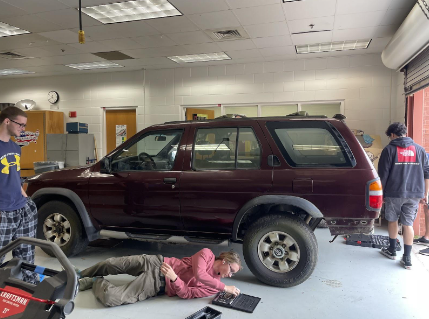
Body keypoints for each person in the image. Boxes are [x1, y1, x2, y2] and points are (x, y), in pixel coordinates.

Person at [77, 248, 242, 307]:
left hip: (158, 283)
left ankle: (95, 282)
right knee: (111, 263)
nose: (230, 275)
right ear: (225, 261)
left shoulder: (214, 286)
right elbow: (200, 274)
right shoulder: (207, 254)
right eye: (231, 270)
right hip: (157, 262)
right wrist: (225, 288)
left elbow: (187, 293)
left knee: (110, 297)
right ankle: (80, 274)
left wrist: (175, 279)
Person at [378, 122, 429, 269]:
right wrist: (425, 193)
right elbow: (427, 172)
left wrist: (380, 195)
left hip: (394, 192)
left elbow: (383, 174)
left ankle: (392, 250)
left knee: (392, 220)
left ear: (392, 135)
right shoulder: (420, 150)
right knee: (408, 224)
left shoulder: (389, 149)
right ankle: (407, 258)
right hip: (415, 193)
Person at [0, 106, 38, 283]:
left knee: (26, 257)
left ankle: (30, 290)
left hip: (22, 208)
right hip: (2, 211)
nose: (23, 129)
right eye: (21, 125)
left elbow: (14, 176)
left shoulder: (16, 147)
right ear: (7, 121)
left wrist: (26, 199)